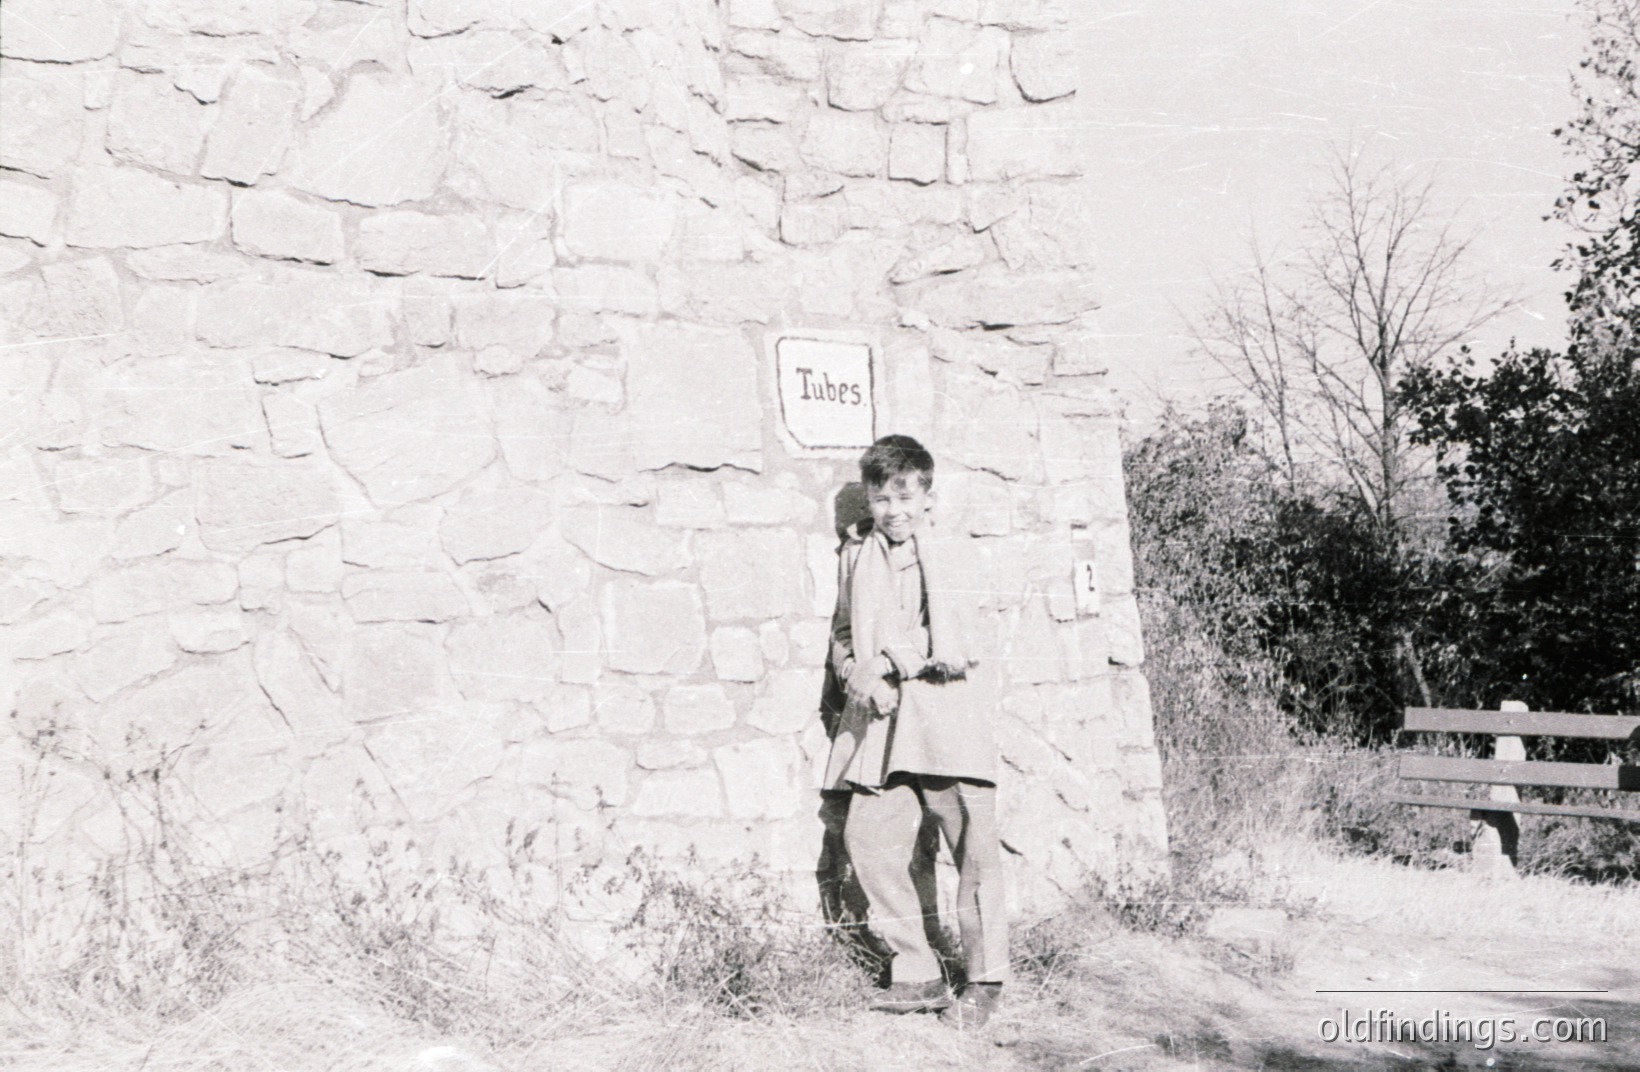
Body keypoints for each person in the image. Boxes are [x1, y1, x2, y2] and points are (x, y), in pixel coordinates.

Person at [821, 434, 1007, 1028]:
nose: (893, 511)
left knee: (971, 852)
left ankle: (984, 980)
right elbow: (844, 632)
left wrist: (888, 662)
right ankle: (918, 971)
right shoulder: (857, 556)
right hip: (881, 724)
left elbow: (954, 636)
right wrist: (856, 673)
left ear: (928, 495)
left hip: (945, 719)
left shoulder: (955, 553)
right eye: (880, 499)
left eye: (904, 497)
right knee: (869, 840)